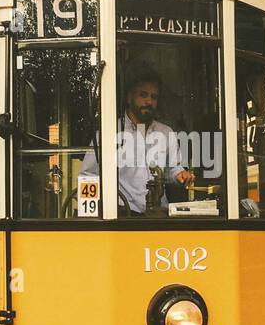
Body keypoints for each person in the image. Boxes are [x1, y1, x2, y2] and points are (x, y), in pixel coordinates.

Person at [82, 65, 194, 214]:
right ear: (129, 97)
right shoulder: (109, 133)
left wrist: (180, 175)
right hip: (122, 216)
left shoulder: (166, 132)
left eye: (154, 97)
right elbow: (88, 176)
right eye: (143, 95)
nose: (149, 102)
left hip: (158, 215)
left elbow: (172, 169)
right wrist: (92, 218)